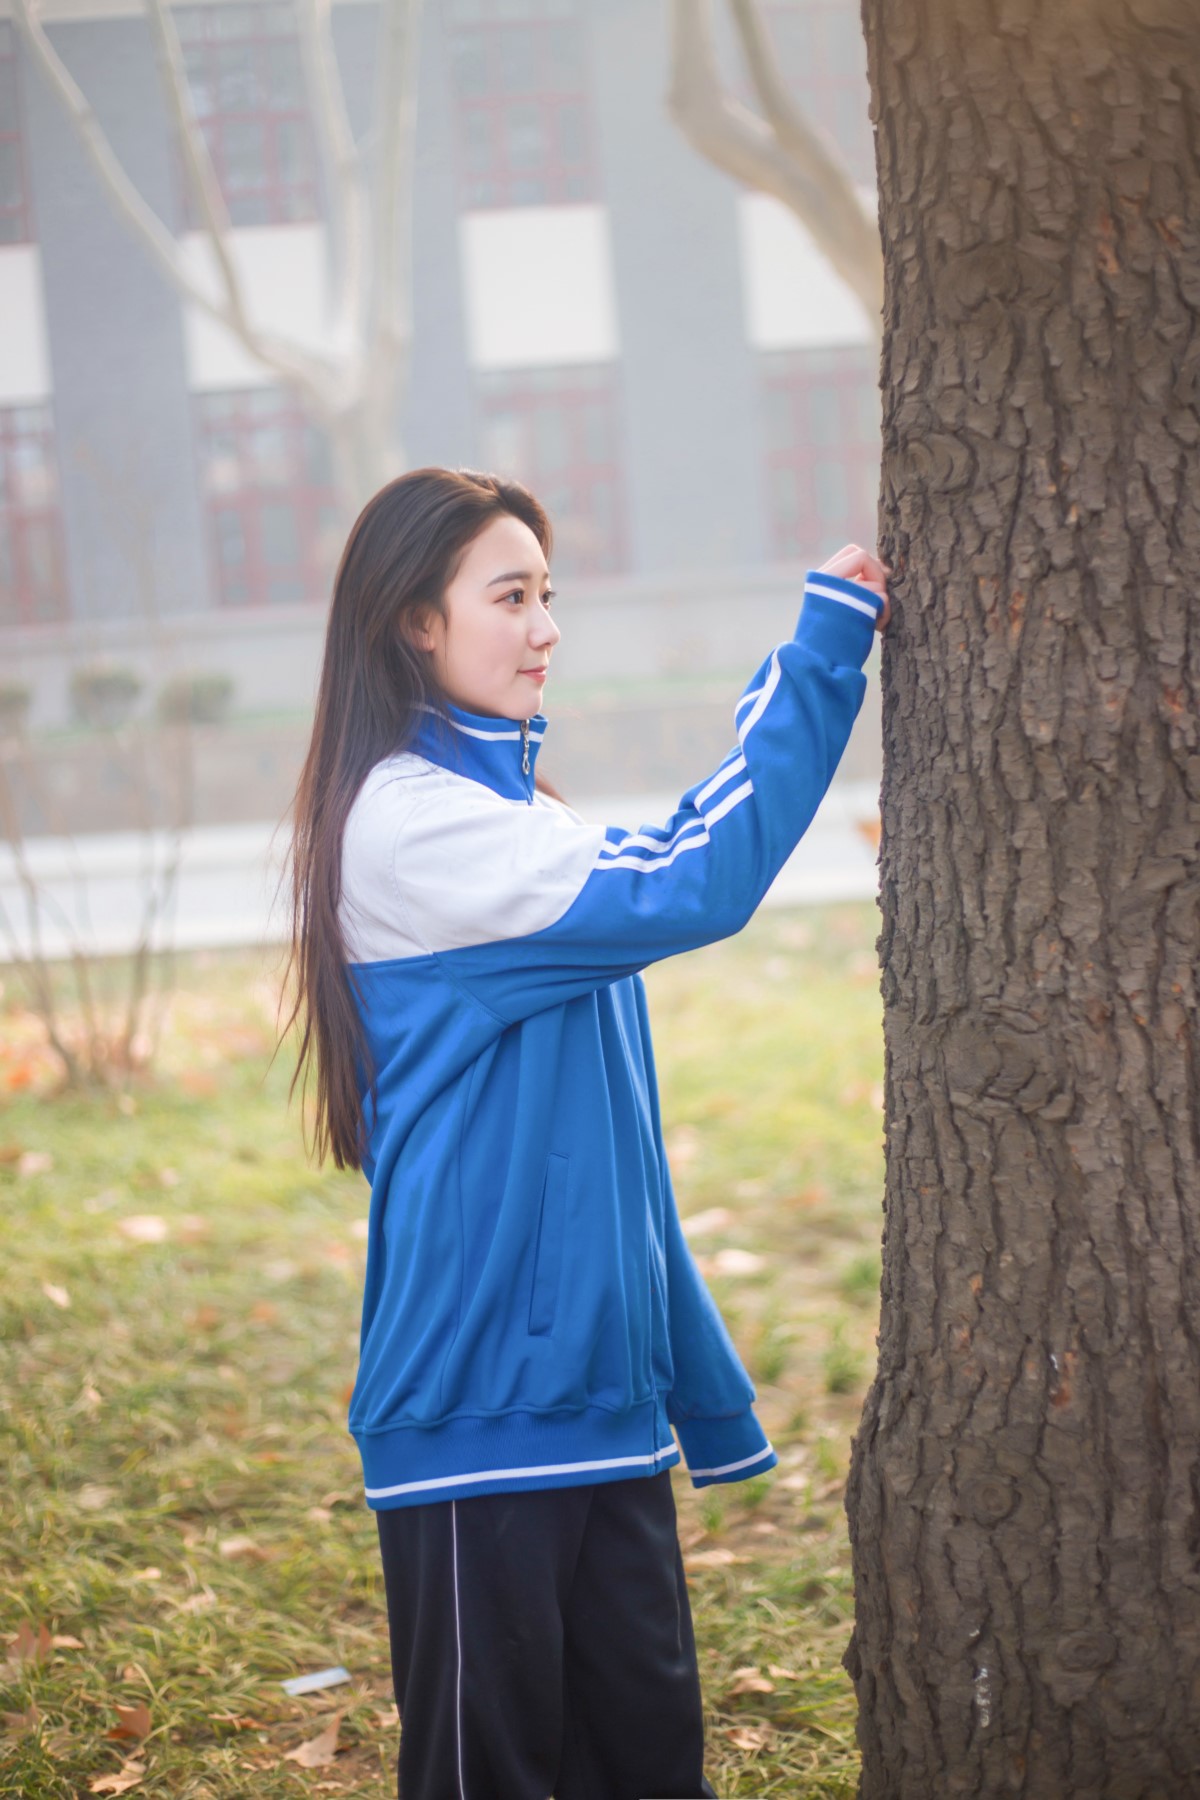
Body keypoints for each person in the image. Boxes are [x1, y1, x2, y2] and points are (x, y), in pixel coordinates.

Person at [283, 466, 890, 1800]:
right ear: (415, 623)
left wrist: (680, 1362)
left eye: (548, 595)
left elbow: (609, 1137)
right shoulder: (410, 827)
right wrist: (820, 655)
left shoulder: (515, 817)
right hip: (480, 1397)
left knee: (646, 1768)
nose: (547, 628)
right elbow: (691, 877)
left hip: (594, 1395)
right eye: (510, 597)